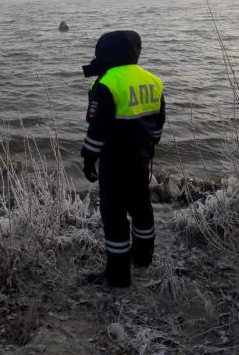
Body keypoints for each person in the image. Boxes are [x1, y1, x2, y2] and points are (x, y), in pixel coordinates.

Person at [81, 31, 165, 287]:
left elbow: (98, 130)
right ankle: (142, 258)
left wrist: (88, 160)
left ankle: (118, 276)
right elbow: (158, 125)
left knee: (114, 216)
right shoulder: (153, 80)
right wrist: (147, 147)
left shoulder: (106, 83)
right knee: (141, 209)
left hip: (114, 162)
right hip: (141, 160)